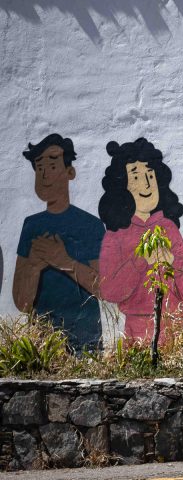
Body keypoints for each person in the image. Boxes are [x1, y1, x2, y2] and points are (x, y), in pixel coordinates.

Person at [98, 138, 183, 344]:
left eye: (150, 175)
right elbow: (109, 291)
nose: (146, 184)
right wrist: (141, 259)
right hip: (136, 330)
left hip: (175, 327)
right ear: (122, 185)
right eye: (135, 176)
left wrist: (173, 262)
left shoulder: (168, 228)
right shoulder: (116, 234)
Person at [12, 133, 105, 350]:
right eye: (39, 168)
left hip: (86, 342)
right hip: (40, 344)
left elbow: (105, 290)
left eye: (52, 166)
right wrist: (34, 268)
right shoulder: (31, 226)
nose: (44, 175)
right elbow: (21, 302)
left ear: (70, 172)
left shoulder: (91, 225)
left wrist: (64, 261)